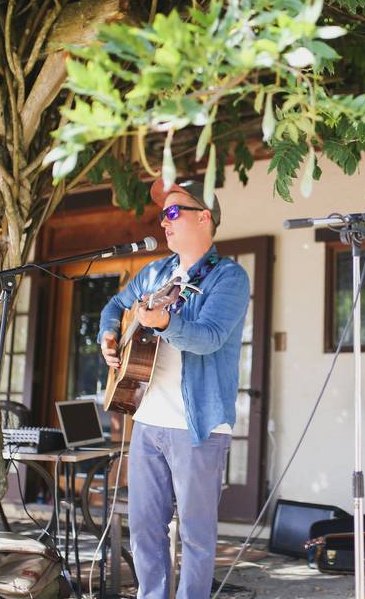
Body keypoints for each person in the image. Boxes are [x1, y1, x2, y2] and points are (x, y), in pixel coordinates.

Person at [98, 180, 250, 599]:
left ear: (204, 217)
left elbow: (210, 337)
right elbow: (114, 306)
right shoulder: (155, 272)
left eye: (173, 212)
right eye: (162, 214)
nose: (163, 221)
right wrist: (109, 335)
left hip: (197, 424)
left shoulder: (229, 277)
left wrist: (164, 323)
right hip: (148, 420)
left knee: (196, 537)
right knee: (145, 529)